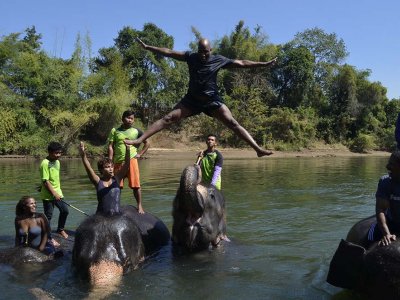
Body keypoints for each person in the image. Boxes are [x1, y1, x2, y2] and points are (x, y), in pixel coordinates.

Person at [125, 37, 276, 157]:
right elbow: (169, 52)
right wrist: (148, 47)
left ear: (211, 50)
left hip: (212, 101)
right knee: (168, 118)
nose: (203, 55)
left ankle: (257, 149)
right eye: (200, 51)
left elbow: (242, 63)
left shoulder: (218, 60)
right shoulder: (191, 57)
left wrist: (263, 64)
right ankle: (140, 139)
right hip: (192, 100)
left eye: (206, 52)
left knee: (232, 123)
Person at [108, 110, 149, 214]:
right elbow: (110, 147)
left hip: (132, 161)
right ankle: (115, 205)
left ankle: (139, 206)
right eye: (128, 118)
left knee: (136, 185)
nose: (130, 120)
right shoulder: (115, 131)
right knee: (117, 186)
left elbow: (147, 143)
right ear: (122, 119)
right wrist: (109, 161)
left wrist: (140, 154)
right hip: (118, 161)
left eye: (132, 118)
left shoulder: (137, 131)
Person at [79, 141, 130, 216]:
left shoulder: (117, 179)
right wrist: (83, 155)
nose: (111, 169)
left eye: (111, 166)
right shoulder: (97, 181)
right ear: (101, 170)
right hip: (101, 217)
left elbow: (127, 164)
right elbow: (88, 167)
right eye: (107, 167)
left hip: (116, 216)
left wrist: (128, 149)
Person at [368, 151, 400, 246]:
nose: (387, 166)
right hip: (391, 223)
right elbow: (381, 209)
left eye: (392, 164)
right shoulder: (385, 182)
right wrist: (386, 234)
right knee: (369, 237)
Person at [39, 141, 69, 245]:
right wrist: (54, 193)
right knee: (48, 216)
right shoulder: (44, 163)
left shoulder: (57, 162)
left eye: (60, 153)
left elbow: (54, 179)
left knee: (65, 211)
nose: (58, 155)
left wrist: (57, 193)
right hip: (48, 195)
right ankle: (48, 238)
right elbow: (45, 181)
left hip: (58, 192)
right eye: (56, 153)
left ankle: (60, 229)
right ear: (49, 152)